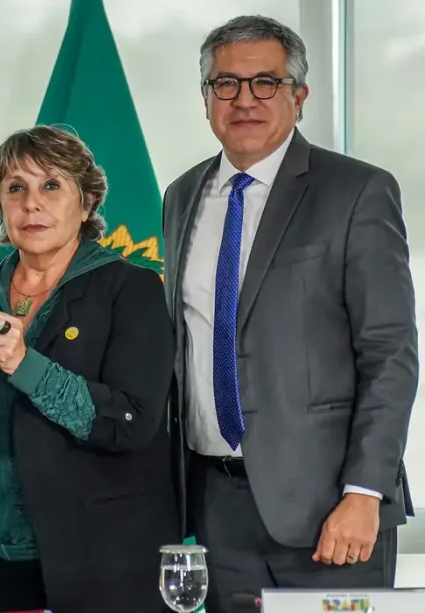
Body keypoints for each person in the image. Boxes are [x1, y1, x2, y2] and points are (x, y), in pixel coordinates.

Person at [162, 15, 417, 612]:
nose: (244, 100)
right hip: (214, 506)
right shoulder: (181, 196)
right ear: (206, 98)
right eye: (226, 83)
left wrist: (364, 493)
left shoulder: (357, 191)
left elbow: (389, 355)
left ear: (298, 96)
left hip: (330, 510)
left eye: (266, 83)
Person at [0, 125, 179, 613]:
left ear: (87, 202)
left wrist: (25, 364)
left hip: (102, 561)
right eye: (16, 188)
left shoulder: (133, 289)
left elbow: (131, 422)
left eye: (52, 185)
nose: (32, 203)